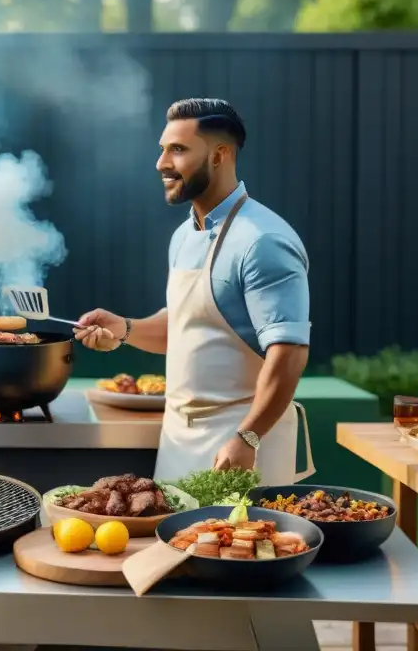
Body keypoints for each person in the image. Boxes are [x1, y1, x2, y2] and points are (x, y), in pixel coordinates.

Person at [75, 97, 315, 485]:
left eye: (178, 150)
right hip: (178, 438)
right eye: (163, 149)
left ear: (220, 155)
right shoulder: (184, 235)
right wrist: (124, 328)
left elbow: (288, 353)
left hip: (243, 443)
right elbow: (187, 324)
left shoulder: (264, 241)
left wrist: (248, 437)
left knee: (233, 546)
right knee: (169, 545)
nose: (162, 163)